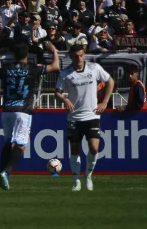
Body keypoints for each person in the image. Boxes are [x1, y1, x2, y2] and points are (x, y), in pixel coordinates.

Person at [0, 41, 60, 190]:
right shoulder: (33, 69)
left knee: (8, 143)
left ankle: (2, 172)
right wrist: (53, 50)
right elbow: (56, 67)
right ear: (27, 54)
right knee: (21, 145)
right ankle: (6, 171)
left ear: (13, 55)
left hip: (7, 111)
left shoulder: (6, 69)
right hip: (23, 111)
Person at [55, 44, 114, 191]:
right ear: (71, 56)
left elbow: (110, 81)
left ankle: (88, 176)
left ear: (84, 54)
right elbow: (57, 92)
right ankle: (76, 181)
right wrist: (65, 99)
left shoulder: (94, 68)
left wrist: (105, 101)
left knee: (94, 148)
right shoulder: (66, 73)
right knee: (74, 149)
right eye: (76, 55)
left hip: (92, 115)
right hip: (74, 117)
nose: (79, 58)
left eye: (81, 55)